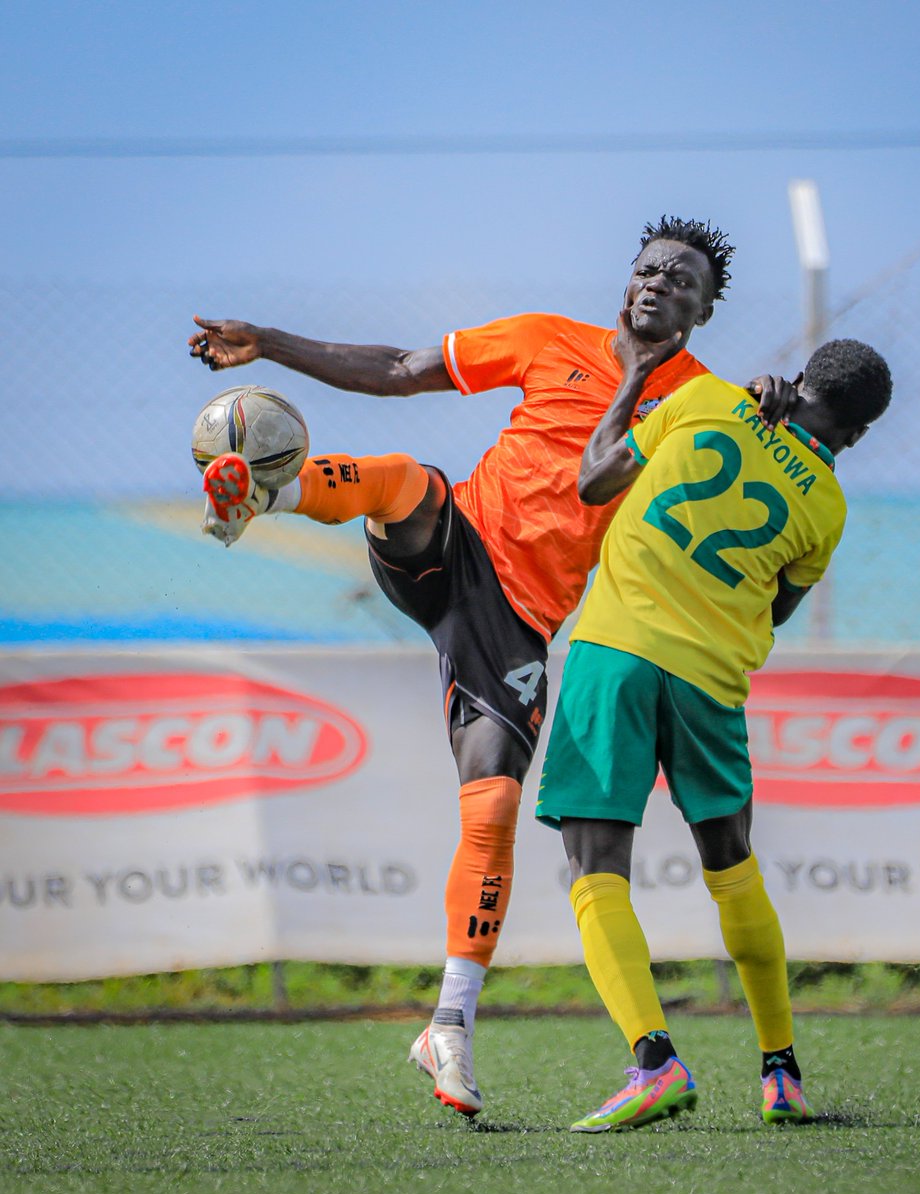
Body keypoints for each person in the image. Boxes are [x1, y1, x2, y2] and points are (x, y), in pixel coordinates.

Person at [187, 217, 785, 1118]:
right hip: (454, 540)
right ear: (626, 284)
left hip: (517, 627)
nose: (659, 282)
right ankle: (272, 491)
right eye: (647, 268)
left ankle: (449, 1028)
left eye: (681, 278)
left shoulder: (706, 403)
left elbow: (766, 458)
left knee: (496, 803)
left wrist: (780, 401)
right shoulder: (550, 340)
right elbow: (399, 371)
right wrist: (267, 341)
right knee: (408, 482)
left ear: (707, 305)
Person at [535, 319, 892, 1132]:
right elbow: (776, 606)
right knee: (732, 867)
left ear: (796, 380)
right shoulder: (829, 509)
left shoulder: (702, 400)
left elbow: (594, 482)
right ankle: (781, 1072)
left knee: (596, 865)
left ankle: (654, 1064)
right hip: (711, 679)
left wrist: (631, 381)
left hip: (616, 653)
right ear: (858, 432)